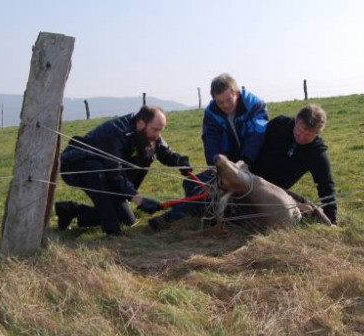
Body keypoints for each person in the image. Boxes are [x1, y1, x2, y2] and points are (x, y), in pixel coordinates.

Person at [149, 73, 268, 230]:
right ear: (214, 99)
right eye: (220, 102)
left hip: (255, 161)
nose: (225, 105)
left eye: (228, 100)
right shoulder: (211, 112)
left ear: (237, 93)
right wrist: (215, 165)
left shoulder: (255, 105)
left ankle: (172, 217)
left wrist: (244, 162)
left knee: (212, 192)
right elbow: (210, 140)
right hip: (227, 163)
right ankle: (197, 212)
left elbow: (256, 136)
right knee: (193, 185)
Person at [54, 105, 192, 236]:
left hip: (107, 170)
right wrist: (139, 200)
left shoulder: (148, 134)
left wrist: (180, 162)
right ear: (141, 123)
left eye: (161, 130)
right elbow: (115, 172)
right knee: (96, 173)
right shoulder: (116, 132)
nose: (158, 135)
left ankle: (69, 210)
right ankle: (112, 231)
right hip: (77, 165)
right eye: (156, 130)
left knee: (127, 219)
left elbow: (165, 153)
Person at [251, 104, 338, 225]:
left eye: (308, 135)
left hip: (275, 191)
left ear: (317, 133)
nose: (301, 137)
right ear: (296, 120)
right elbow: (252, 144)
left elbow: (326, 185)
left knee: (303, 210)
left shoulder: (316, 153)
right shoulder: (279, 124)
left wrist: (331, 218)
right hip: (250, 178)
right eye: (299, 131)